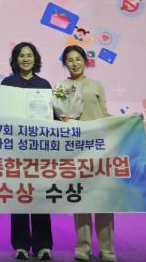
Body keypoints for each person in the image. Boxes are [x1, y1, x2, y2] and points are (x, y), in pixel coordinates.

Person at [53, 45, 117, 262]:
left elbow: (104, 112)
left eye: (78, 59)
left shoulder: (96, 85)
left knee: (103, 198)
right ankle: (83, 248)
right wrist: (62, 119)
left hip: (98, 148)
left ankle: (107, 250)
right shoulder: (61, 87)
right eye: (70, 60)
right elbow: (58, 114)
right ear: (65, 64)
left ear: (85, 61)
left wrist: (125, 121)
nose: (74, 63)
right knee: (80, 199)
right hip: (76, 149)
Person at [0, 42, 53, 260]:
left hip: (40, 151)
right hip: (16, 151)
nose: (26, 59)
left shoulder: (44, 84)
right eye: (21, 55)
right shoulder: (7, 83)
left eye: (30, 55)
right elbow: (0, 114)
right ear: (15, 59)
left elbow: (52, 116)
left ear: (35, 59)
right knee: (19, 196)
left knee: (40, 196)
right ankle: (20, 245)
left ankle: (43, 245)